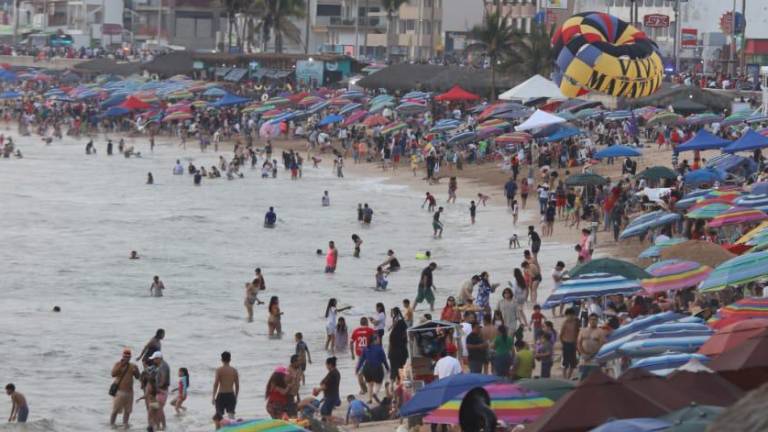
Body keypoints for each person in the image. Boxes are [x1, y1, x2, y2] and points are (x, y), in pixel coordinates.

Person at [109, 349, 140, 427]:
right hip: (119, 391)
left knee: (128, 411)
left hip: (130, 392)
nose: (126, 358)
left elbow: (138, 377)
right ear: (122, 356)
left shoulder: (133, 366)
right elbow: (113, 374)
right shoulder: (118, 364)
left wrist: (136, 371)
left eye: (128, 357)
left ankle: (125, 425)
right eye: (125, 356)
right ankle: (112, 424)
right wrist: (121, 366)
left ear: (130, 357)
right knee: (115, 410)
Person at [356, 335, 389, 403]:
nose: (379, 340)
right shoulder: (379, 348)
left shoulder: (365, 348)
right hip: (376, 367)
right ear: (374, 340)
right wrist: (387, 368)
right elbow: (384, 360)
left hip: (367, 368)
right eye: (378, 339)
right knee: (379, 383)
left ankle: (369, 399)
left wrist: (357, 369)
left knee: (369, 384)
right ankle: (375, 393)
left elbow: (361, 360)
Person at [577, 314, 607, 379]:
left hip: (595, 357)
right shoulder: (583, 331)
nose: (593, 321)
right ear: (589, 320)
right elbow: (579, 343)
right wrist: (582, 353)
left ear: (597, 321)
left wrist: (593, 355)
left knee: (594, 378)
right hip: (584, 357)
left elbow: (602, 345)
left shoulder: (600, 332)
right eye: (591, 319)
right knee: (582, 377)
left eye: (595, 319)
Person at [213, 351, 240, 419]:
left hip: (221, 395)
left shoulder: (219, 370)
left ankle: (219, 429)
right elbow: (237, 385)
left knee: (219, 417)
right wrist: (236, 396)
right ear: (230, 360)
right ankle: (232, 429)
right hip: (231, 395)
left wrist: (213, 396)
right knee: (231, 416)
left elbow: (216, 383)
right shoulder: (234, 370)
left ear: (221, 360)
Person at [315, 357, 341, 422]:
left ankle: (340, 421)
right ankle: (327, 425)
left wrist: (318, 389)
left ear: (330, 364)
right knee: (327, 412)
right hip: (332, 396)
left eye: (326, 365)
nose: (326, 366)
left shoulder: (333, 373)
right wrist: (321, 386)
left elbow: (326, 385)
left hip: (331, 396)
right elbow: (323, 382)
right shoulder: (333, 372)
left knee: (323, 412)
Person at [149, 351, 171, 430]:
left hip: (161, 391)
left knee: (158, 409)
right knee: (156, 408)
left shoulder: (163, 366)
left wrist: (158, 388)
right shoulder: (163, 365)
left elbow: (164, 379)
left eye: (154, 359)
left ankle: (160, 427)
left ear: (159, 358)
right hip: (162, 391)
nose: (153, 361)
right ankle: (162, 426)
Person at [388, 308, 409, 380]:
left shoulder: (392, 335)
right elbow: (406, 344)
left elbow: (390, 345)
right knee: (401, 369)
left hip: (393, 354)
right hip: (402, 353)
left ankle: (392, 385)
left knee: (394, 370)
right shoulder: (404, 336)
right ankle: (400, 382)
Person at [560, 308, 580, 380]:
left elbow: (577, 333)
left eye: (571, 315)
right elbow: (561, 335)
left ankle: (568, 377)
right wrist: (563, 343)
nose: (570, 317)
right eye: (569, 315)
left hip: (573, 344)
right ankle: (564, 377)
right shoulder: (564, 323)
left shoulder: (575, 323)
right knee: (565, 362)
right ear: (566, 315)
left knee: (573, 363)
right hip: (566, 343)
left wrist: (577, 344)